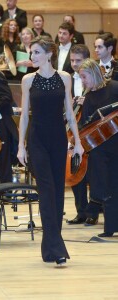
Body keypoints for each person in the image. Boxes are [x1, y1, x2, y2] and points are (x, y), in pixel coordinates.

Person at [17, 36, 84, 266]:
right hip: (36, 139)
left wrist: (77, 141)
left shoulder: (64, 78)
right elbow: (24, 115)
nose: (32, 57)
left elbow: (69, 113)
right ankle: (57, 248)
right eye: (31, 52)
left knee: (57, 192)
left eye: (35, 52)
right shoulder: (27, 80)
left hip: (58, 138)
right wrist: (20, 146)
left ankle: (49, 248)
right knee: (46, 191)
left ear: (48, 54)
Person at [78, 58, 118, 237]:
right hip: (99, 149)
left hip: (116, 144)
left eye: (84, 77)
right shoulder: (88, 97)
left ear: (94, 74)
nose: (83, 81)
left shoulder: (115, 87)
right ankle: (109, 228)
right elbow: (85, 126)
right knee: (105, 188)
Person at [66, 44, 92, 225]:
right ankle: (81, 211)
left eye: (78, 60)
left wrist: (87, 100)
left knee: (93, 172)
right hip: (73, 129)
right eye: (72, 60)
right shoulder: (67, 78)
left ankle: (95, 210)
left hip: (89, 127)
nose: (74, 64)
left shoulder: (93, 77)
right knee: (75, 169)